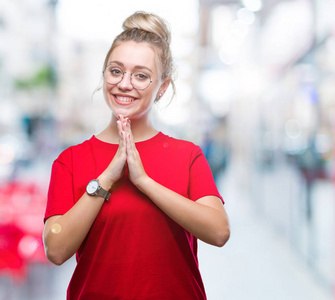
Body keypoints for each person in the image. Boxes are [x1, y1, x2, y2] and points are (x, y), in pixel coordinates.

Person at [43, 11, 230, 300]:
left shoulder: (187, 155)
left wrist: (143, 181)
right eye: (116, 71)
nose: (125, 84)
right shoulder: (70, 160)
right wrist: (106, 178)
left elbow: (219, 233)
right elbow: (55, 249)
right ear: (104, 75)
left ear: (162, 87)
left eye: (141, 75)